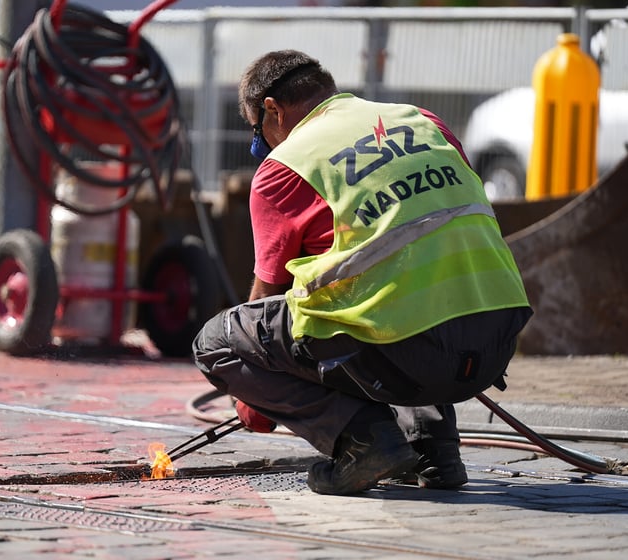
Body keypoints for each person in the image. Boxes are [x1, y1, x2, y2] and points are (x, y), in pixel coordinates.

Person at [192, 50, 532, 496]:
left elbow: (265, 300)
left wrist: (257, 399)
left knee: (219, 343)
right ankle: (434, 451)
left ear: (272, 110)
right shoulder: (424, 121)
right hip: (496, 338)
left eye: (260, 135)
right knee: (405, 283)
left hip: (411, 353)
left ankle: (364, 442)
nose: (265, 148)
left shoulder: (284, 166)